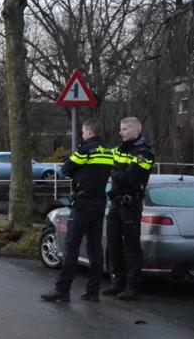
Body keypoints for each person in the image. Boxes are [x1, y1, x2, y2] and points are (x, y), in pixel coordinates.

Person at [41, 118, 113, 303]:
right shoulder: (108, 151)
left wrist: (74, 166)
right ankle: (92, 292)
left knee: (71, 245)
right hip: (99, 202)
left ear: (89, 132)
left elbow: (66, 169)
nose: (82, 134)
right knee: (95, 247)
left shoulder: (85, 150)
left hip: (83, 203)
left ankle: (62, 290)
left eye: (83, 132)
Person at [102, 117, 154, 301]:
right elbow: (108, 166)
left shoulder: (144, 153)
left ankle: (133, 287)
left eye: (124, 129)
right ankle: (118, 283)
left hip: (131, 204)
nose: (120, 132)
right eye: (120, 129)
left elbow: (131, 178)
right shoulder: (119, 150)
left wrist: (115, 172)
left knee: (131, 247)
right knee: (114, 244)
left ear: (135, 130)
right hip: (115, 203)